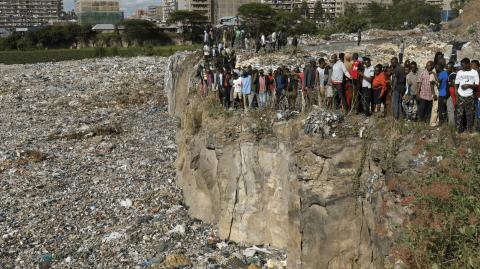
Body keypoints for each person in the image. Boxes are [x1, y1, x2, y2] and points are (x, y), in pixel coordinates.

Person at [455, 58, 479, 133]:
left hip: (470, 96)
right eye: (461, 66)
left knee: (469, 114)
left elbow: (477, 85)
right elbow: (456, 84)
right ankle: (458, 130)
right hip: (460, 95)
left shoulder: (474, 72)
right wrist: (457, 96)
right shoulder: (459, 72)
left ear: (468, 64)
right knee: (459, 114)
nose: (462, 67)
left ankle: (469, 130)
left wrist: (468, 85)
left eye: (463, 66)